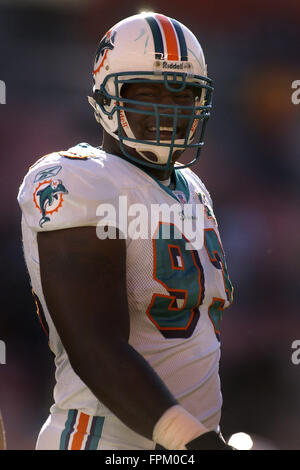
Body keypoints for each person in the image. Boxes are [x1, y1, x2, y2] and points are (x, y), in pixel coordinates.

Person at [17, 12, 234, 450]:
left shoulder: (192, 189)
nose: (167, 109)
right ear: (105, 97)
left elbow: (192, 347)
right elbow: (96, 346)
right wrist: (192, 441)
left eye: (183, 95)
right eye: (147, 92)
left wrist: (206, 436)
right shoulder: (78, 178)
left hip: (179, 444)